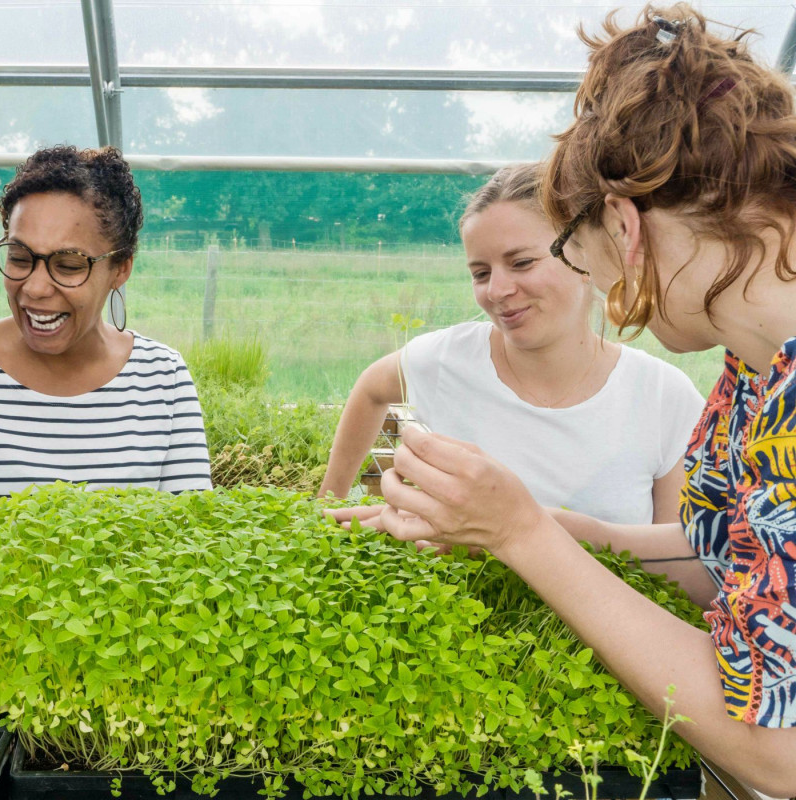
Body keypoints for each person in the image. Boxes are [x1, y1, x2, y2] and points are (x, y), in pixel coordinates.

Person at [333, 6, 796, 793]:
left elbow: (778, 751)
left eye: (573, 257)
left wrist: (523, 536)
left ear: (623, 226)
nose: (604, 287)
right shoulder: (752, 375)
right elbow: (733, 559)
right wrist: (533, 525)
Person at [0, 145, 212, 627]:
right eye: (20, 257)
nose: (36, 288)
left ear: (120, 268)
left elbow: (189, 528)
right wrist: (27, 582)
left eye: (68, 265)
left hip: (121, 634)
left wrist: (90, 596)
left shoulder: (162, 375)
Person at [320, 164, 705, 530]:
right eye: (481, 273)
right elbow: (372, 389)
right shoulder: (446, 361)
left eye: (521, 262)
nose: (497, 290)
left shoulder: (663, 397)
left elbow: (676, 559)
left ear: (585, 254)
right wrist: (327, 507)